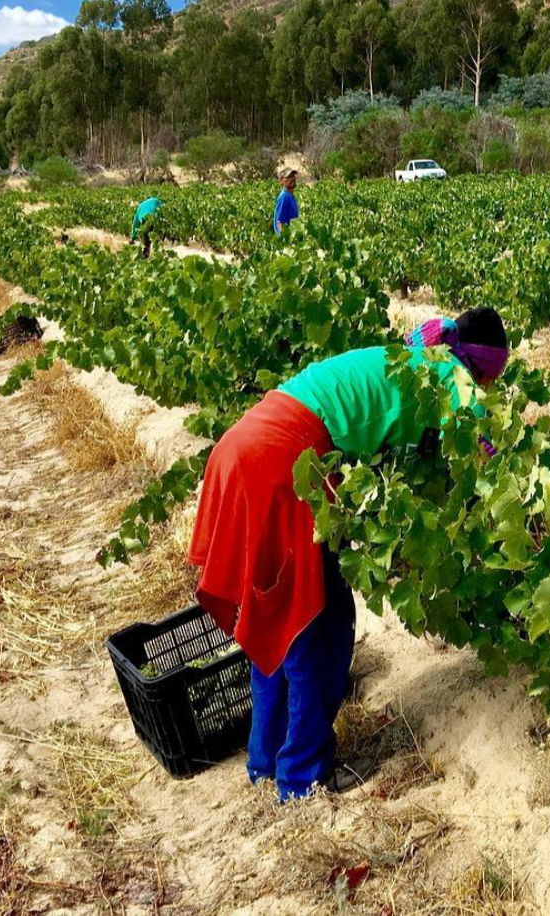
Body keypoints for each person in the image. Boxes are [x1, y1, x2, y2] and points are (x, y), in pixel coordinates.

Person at [188, 306, 510, 799]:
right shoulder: (456, 382)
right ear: (485, 368)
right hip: (281, 464)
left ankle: (265, 763)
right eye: (493, 379)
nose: (488, 390)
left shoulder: (413, 357)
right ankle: (301, 779)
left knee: (276, 618)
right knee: (318, 626)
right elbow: (488, 471)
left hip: (242, 447)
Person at [273, 169, 299, 234]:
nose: (292, 179)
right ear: (281, 181)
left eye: (293, 176)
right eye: (289, 177)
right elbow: (279, 222)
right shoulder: (284, 197)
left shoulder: (290, 196)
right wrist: (285, 239)